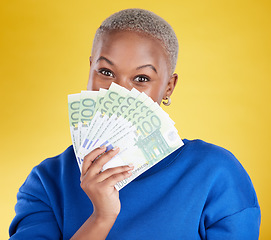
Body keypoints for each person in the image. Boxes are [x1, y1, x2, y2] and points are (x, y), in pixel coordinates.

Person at [9, 8, 261, 240]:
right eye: (106, 72)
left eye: (141, 78)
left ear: (168, 87)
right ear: (90, 70)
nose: (118, 92)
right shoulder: (47, 181)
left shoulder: (216, 174)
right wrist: (101, 218)